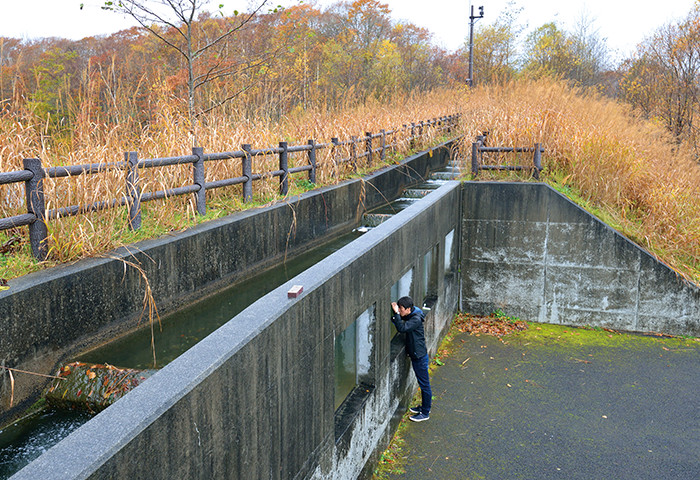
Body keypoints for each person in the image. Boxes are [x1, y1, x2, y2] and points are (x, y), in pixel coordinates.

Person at [391, 296, 432, 422]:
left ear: (408, 309)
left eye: (402, 309)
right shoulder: (414, 312)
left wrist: (396, 314)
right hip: (417, 354)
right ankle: (424, 407)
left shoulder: (415, 319)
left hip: (419, 356)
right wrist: (397, 314)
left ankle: (425, 413)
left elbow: (402, 328)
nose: (400, 311)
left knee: (424, 385)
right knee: (423, 384)